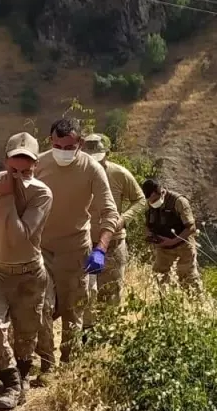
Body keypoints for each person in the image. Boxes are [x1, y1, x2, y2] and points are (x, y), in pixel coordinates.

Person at [33, 117, 120, 375]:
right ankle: (47, 365)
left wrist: (100, 248)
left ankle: (69, 367)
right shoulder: (39, 163)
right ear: (50, 141)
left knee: (74, 311)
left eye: (69, 147)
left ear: (80, 143)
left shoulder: (92, 169)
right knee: (42, 306)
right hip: (42, 249)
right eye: (58, 145)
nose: (63, 152)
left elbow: (110, 212)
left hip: (76, 250)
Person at [0, 132, 53, 411]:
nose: (19, 175)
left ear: (35, 166)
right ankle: (10, 382)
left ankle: (22, 375)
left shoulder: (41, 193)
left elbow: (21, 236)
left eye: (26, 170)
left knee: (26, 333)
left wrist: (8, 198)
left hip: (28, 273)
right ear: (5, 161)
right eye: (13, 169)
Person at [82, 133, 144, 312]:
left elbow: (140, 200)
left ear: (107, 154)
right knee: (84, 296)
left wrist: (124, 219)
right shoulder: (76, 174)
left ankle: (107, 335)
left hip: (113, 244)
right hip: (83, 243)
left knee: (110, 298)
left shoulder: (119, 174)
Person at [143, 168, 202, 292]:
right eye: (150, 200)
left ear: (161, 192)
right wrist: (150, 235)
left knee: (189, 282)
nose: (152, 203)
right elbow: (148, 223)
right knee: (159, 279)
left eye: (154, 200)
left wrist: (172, 241)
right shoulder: (148, 203)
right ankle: (164, 305)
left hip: (183, 247)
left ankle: (195, 307)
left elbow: (191, 227)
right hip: (163, 250)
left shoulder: (179, 202)